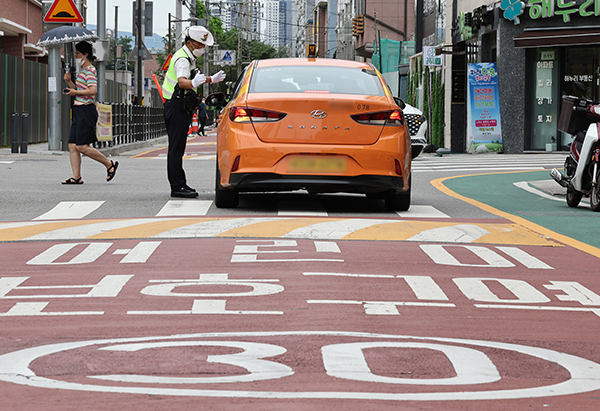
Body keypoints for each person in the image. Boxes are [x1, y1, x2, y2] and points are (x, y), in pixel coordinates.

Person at [162, 26, 225, 198]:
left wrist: (211, 79)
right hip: (176, 106)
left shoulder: (186, 57)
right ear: (189, 43)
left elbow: (192, 78)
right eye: (200, 44)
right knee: (176, 149)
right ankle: (177, 187)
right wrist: (193, 83)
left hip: (176, 105)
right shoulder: (182, 60)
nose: (202, 48)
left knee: (177, 147)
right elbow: (183, 82)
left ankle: (179, 184)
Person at [61, 41, 118, 185]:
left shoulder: (90, 70)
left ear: (85, 54)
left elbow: (93, 91)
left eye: (77, 54)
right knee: (72, 145)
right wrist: (69, 83)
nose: (76, 56)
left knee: (81, 146)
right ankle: (76, 177)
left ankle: (109, 163)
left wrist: (75, 91)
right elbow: (80, 92)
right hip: (79, 109)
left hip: (86, 110)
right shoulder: (82, 71)